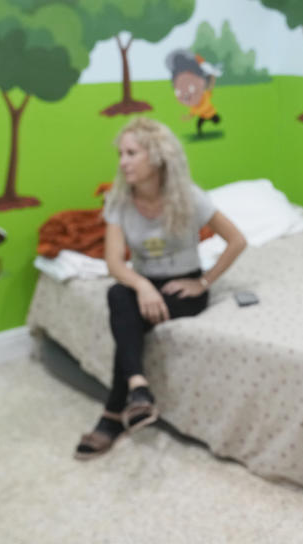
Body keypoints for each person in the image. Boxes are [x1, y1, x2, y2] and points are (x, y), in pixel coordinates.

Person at [75, 117, 246, 460]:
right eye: (121, 154)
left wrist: (203, 282)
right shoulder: (119, 201)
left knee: (127, 321)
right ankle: (139, 390)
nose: (123, 162)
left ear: (156, 157)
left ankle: (112, 415)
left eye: (131, 153)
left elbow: (237, 240)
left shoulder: (189, 198)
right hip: (144, 283)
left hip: (184, 288)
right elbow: (114, 264)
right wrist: (142, 286)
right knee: (117, 295)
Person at [167, 49, 224, 138]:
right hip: (204, 114)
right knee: (200, 123)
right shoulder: (199, 100)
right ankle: (200, 130)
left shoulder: (203, 98)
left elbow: (210, 86)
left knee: (201, 122)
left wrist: (212, 74)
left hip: (206, 113)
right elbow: (193, 112)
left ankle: (205, 127)